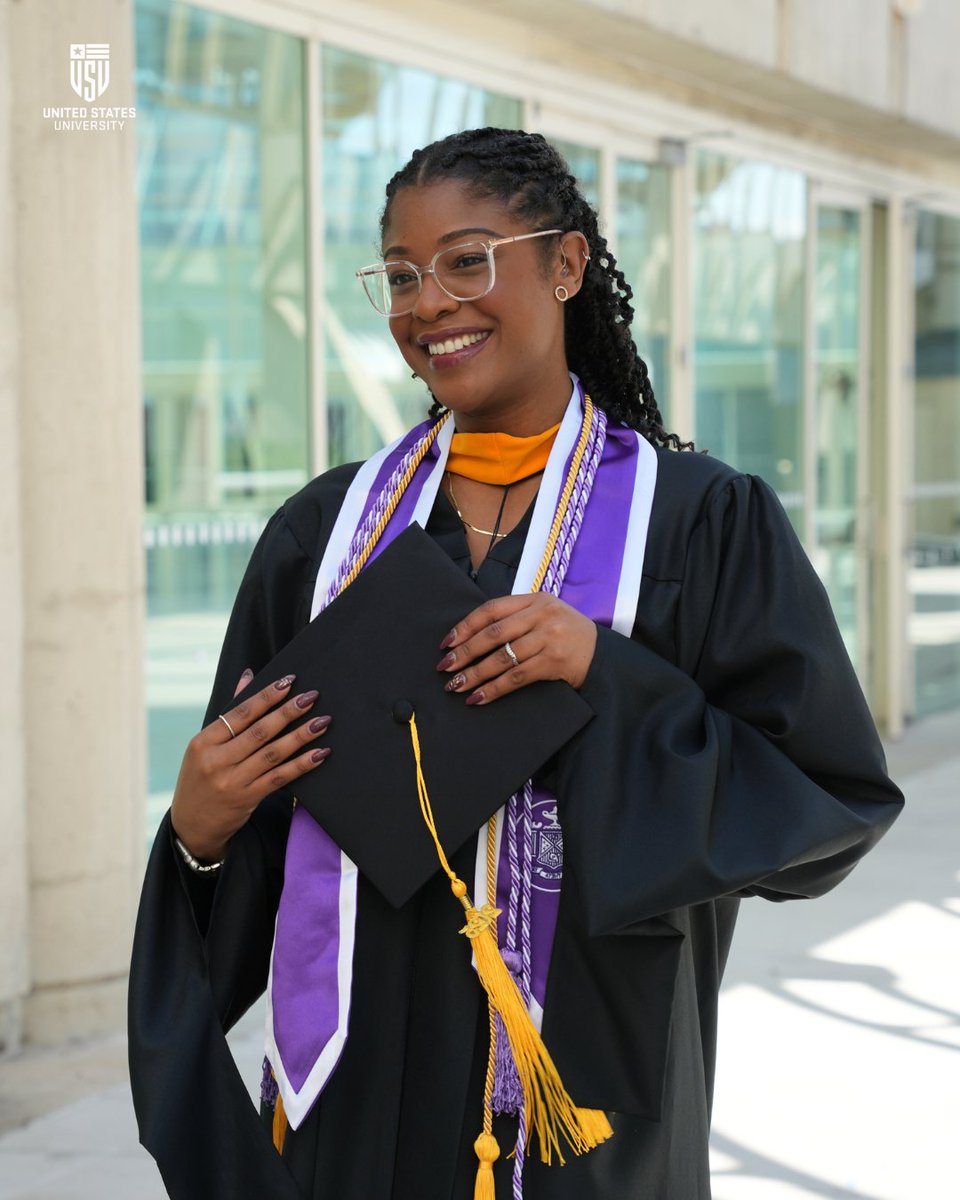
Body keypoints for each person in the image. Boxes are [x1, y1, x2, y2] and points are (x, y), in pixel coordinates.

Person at [129, 128, 903, 1200]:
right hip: (355, 1109)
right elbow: (259, 822)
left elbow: (825, 811)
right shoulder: (326, 536)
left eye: (469, 258)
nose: (429, 302)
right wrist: (200, 835)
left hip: (582, 1111)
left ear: (567, 265)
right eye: (401, 275)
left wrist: (606, 674)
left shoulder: (697, 526)